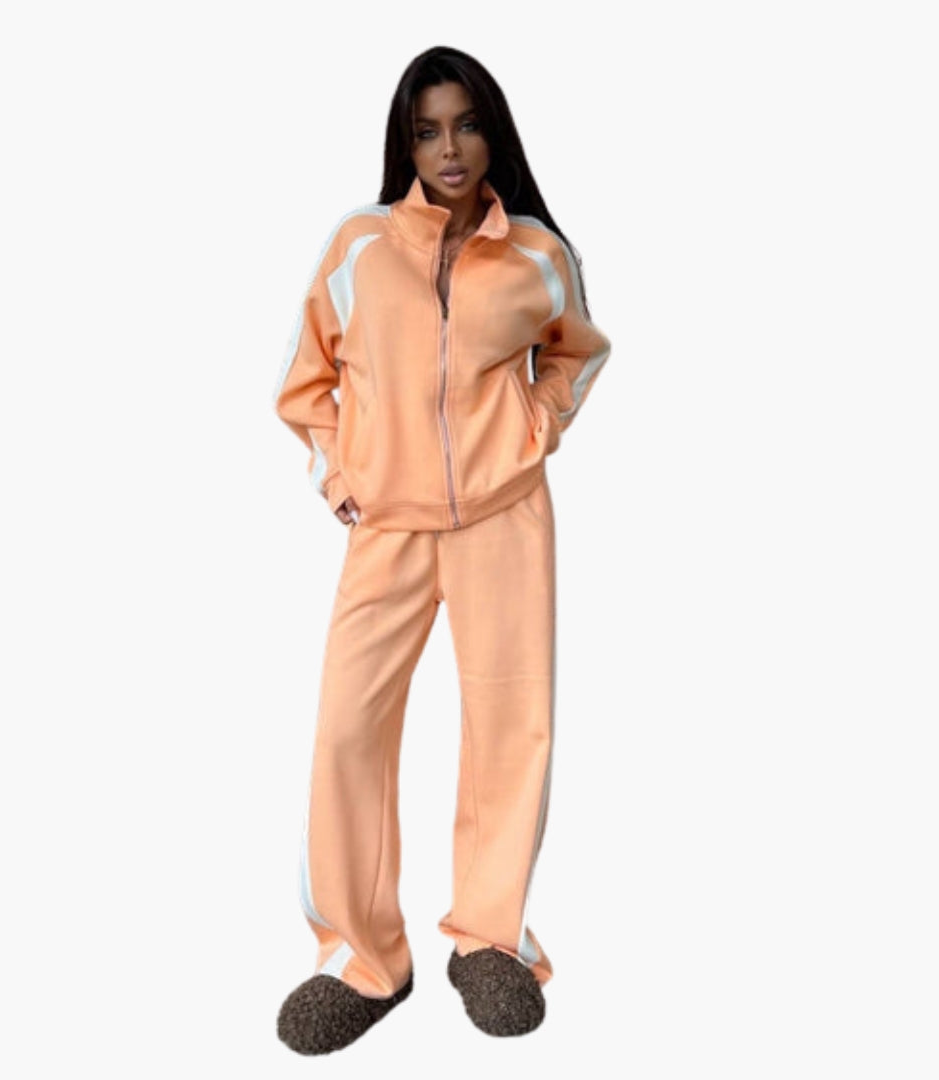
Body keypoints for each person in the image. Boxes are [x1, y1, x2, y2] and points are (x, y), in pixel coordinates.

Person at [272, 44, 612, 1054]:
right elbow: (305, 382)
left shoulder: (538, 255)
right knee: (348, 729)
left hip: (505, 517)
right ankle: (364, 962)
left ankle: (490, 942)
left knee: (512, 727)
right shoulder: (360, 247)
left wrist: (536, 425)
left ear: (492, 132)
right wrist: (342, 476)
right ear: (405, 143)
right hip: (388, 525)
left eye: (465, 125)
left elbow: (578, 351)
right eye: (427, 131)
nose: (449, 148)